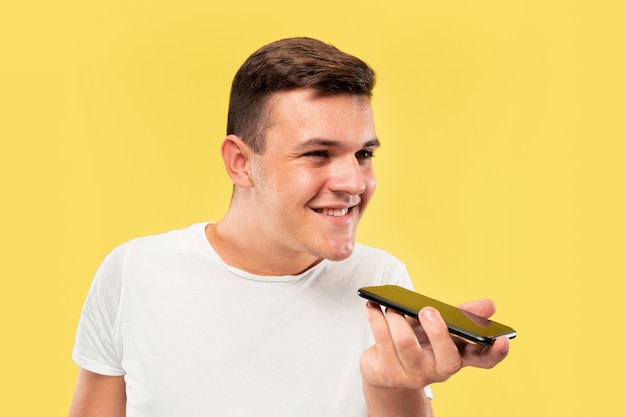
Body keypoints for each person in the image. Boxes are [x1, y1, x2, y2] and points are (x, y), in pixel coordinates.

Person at [68, 37, 510, 417]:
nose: (355, 182)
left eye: (364, 155)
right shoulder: (135, 271)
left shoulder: (381, 282)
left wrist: (392, 387)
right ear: (240, 162)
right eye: (318, 154)